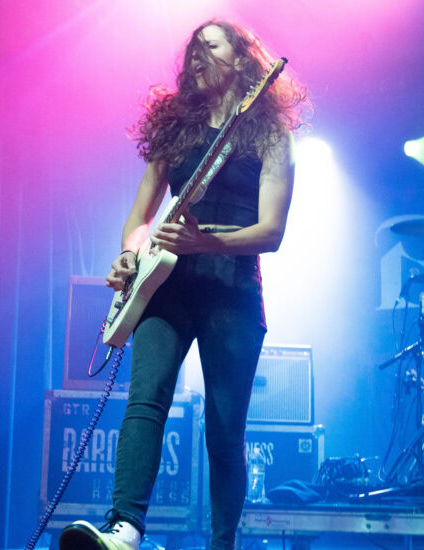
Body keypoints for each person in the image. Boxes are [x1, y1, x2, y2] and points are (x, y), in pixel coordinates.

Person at [59, 19, 308, 550]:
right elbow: (138, 219)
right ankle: (125, 528)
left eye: (210, 46)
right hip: (166, 284)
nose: (197, 56)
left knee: (224, 428)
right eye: (192, 49)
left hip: (232, 289)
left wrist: (206, 241)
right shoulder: (176, 130)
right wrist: (129, 257)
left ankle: (222, 543)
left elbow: (272, 232)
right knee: (145, 399)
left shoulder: (270, 135)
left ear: (242, 59)